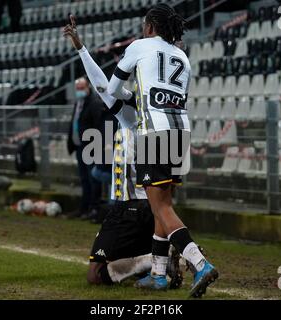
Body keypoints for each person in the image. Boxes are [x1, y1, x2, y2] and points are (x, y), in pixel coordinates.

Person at [107, 3, 218, 297]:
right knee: (163, 204)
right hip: (180, 133)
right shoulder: (182, 55)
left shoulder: (139, 46)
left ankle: (199, 263)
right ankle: (158, 275)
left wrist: (133, 97)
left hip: (153, 132)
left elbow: (112, 89)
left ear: (149, 26)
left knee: (161, 206)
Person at [63, 16, 183, 288]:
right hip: (148, 209)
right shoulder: (161, 118)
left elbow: (103, 85)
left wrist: (81, 49)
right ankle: (154, 262)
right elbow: (102, 85)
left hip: (129, 207)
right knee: (124, 265)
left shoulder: (132, 118)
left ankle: (152, 261)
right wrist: (81, 48)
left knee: (95, 275)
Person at [67, 78, 105, 218]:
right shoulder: (79, 103)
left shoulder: (94, 103)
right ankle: (84, 207)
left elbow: (98, 124)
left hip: (90, 146)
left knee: (92, 178)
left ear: (88, 86)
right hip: (79, 146)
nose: (79, 90)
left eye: (81, 87)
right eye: (77, 88)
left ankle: (94, 208)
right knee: (84, 178)